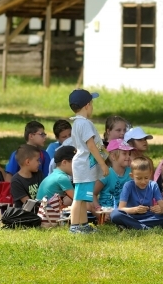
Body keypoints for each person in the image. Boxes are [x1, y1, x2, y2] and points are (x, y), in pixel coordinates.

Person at [68, 89, 108, 234]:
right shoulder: (84, 124)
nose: (92, 106)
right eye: (92, 103)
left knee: (84, 198)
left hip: (83, 166)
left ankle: (83, 224)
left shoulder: (78, 123)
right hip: (84, 166)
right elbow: (91, 145)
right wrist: (103, 163)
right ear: (87, 105)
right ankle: (74, 226)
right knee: (79, 198)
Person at [110, 157, 163, 230]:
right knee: (115, 214)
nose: (143, 181)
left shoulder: (153, 185)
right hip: (131, 216)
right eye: (139, 178)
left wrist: (160, 209)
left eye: (146, 178)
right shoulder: (128, 185)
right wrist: (135, 210)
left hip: (149, 216)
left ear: (150, 174)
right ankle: (144, 227)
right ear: (132, 176)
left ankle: (133, 225)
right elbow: (121, 208)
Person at [95, 139, 133, 210]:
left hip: (125, 209)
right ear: (113, 156)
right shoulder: (106, 173)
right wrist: (98, 210)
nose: (128, 157)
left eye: (129, 154)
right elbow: (93, 194)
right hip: (107, 209)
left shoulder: (131, 172)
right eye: (124, 153)